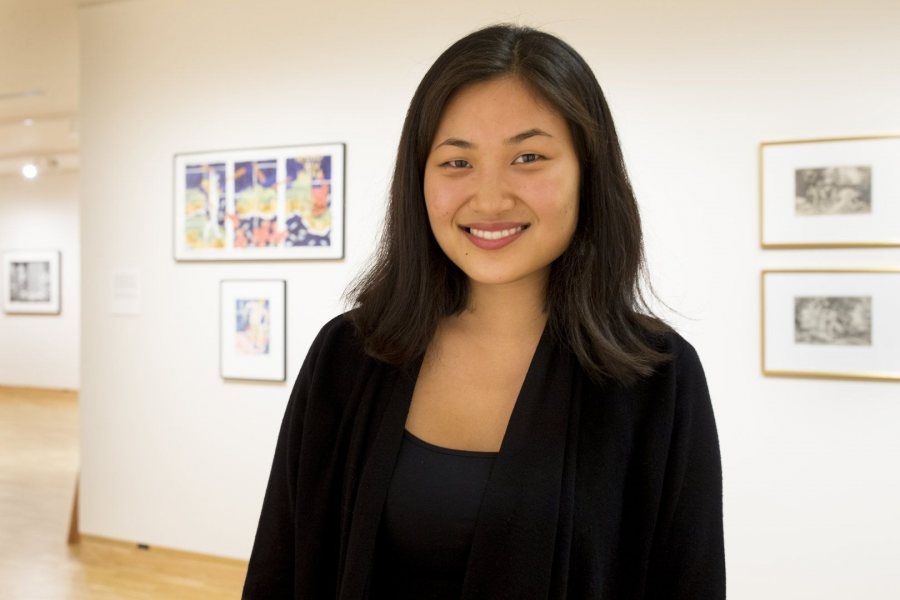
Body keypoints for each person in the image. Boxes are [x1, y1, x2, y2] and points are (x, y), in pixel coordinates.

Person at [243, 24, 724, 600]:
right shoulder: (348, 354)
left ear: (588, 173)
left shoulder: (657, 376)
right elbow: (280, 564)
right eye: (457, 162)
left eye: (529, 156)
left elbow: (687, 582)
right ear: (418, 179)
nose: (491, 198)